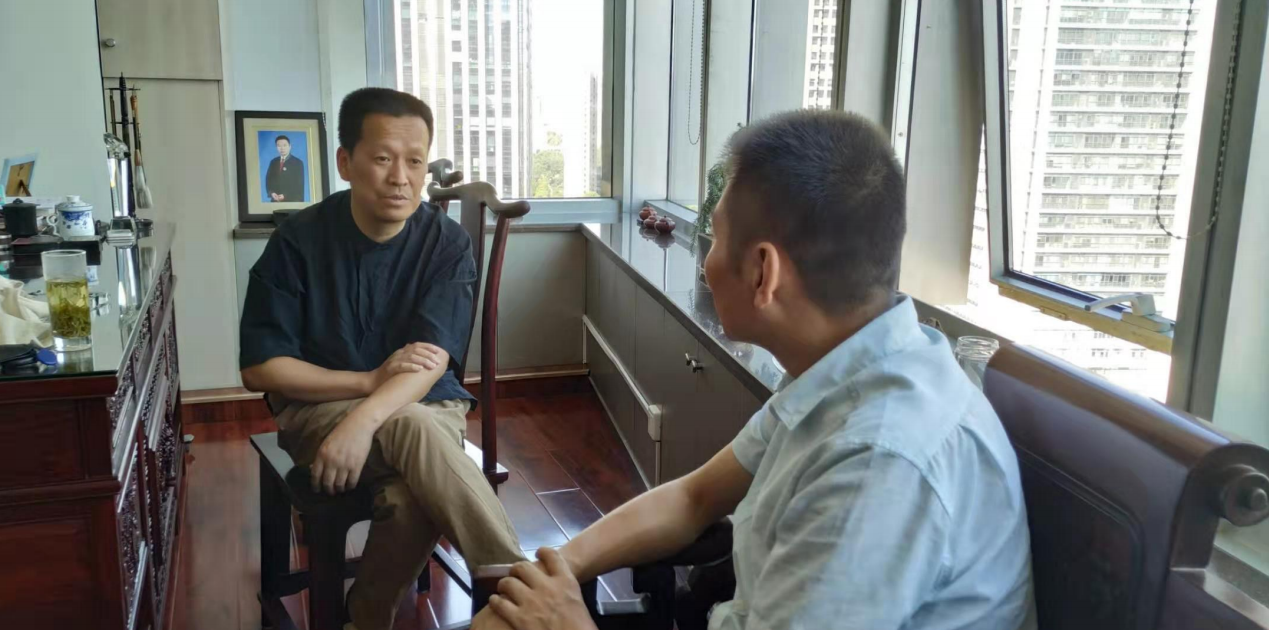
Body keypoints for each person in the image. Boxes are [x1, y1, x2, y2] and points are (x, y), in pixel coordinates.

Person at [473, 110, 1036, 630]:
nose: (706, 260)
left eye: (715, 237)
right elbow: (693, 498)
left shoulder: (879, 463)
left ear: (764, 271)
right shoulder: (847, 370)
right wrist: (554, 570)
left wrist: (568, 623)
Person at [240, 87, 524, 630]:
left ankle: (364, 620)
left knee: (409, 487)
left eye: (415, 161)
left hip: (422, 405)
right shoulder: (298, 241)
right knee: (414, 431)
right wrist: (368, 383)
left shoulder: (445, 243)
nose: (401, 177)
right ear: (345, 162)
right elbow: (260, 368)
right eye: (383, 158)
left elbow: (430, 362)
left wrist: (365, 419)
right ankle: (524, 592)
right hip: (320, 411)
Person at [265, 134, 306, 202]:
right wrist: (272, 193)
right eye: (279, 146)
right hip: (276, 200)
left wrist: (285, 195)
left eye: (284, 145)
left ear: (290, 146)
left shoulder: (298, 163)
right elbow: (268, 180)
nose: (282, 148)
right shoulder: (273, 162)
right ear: (276, 147)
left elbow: (299, 185)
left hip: (292, 200)